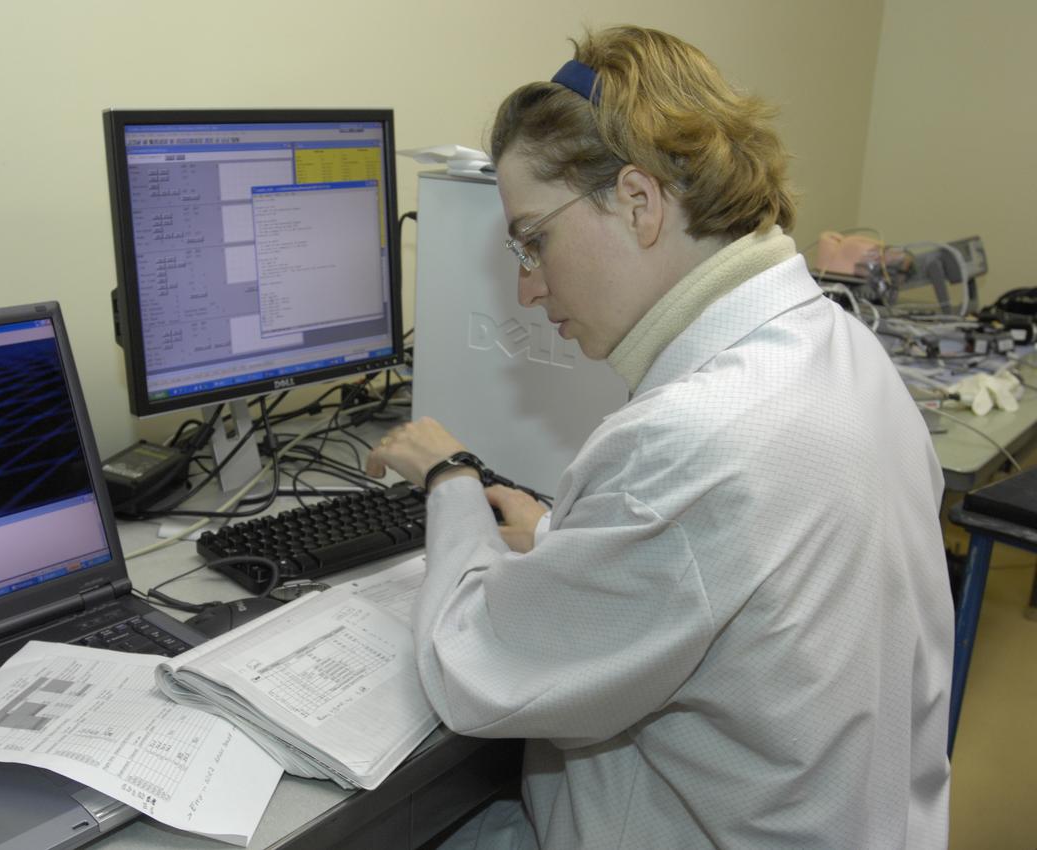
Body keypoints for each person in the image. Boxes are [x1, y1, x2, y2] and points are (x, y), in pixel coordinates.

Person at [366, 25, 953, 850]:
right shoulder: (842, 347)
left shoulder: (691, 439)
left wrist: (451, 483)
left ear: (638, 202)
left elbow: (472, 673)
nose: (528, 288)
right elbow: (726, 576)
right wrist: (563, 541)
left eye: (533, 241)